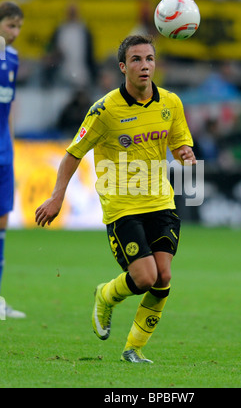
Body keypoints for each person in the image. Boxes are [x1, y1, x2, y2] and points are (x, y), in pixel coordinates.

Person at [35, 35, 196, 363]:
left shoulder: (171, 103)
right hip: (122, 207)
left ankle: (134, 349)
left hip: (161, 202)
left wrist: (185, 154)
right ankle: (106, 295)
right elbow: (72, 155)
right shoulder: (104, 110)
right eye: (136, 60)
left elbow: (180, 143)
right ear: (123, 67)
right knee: (144, 278)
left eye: (150, 59)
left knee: (163, 276)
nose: (145, 66)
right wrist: (56, 198)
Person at [0, 1, 26, 318]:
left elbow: (9, 109)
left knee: (3, 224)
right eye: (10, 25)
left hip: (4, 151)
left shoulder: (14, 59)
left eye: (18, 26)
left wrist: (12, 145)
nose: (15, 33)